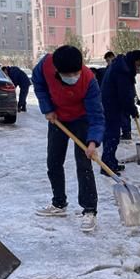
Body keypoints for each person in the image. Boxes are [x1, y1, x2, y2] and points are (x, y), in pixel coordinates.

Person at [32, 46, 104, 232]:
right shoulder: (45, 65)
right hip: (57, 118)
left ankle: (89, 210)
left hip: (81, 120)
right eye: (68, 74)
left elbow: (96, 115)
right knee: (53, 161)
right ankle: (59, 203)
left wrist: (93, 142)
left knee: (84, 162)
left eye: (76, 72)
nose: (73, 76)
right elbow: (38, 83)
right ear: (56, 70)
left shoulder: (88, 80)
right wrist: (47, 108)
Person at [100, 50, 140, 173]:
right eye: (139, 65)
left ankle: (110, 162)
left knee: (111, 134)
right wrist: (132, 110)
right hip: (111, 105)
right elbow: (125, 95)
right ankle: (107, 166)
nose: (138, 69)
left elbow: (127, 92)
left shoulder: (121, 64)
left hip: (111, 103)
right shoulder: (122, 70)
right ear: (135, 61)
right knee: (112, 135)